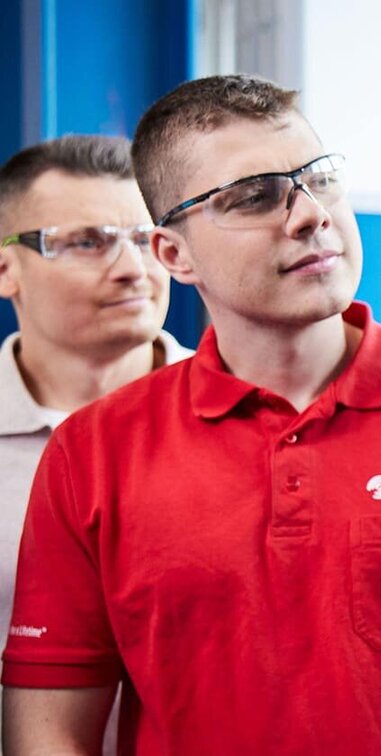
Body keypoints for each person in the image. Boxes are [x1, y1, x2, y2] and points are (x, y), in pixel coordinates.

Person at [2, 75, 381, 755]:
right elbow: (46, 735)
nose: (311, 215)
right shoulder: (90, 452)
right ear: (174, 254)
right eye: (254, 197)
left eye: (321, 177)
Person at [0, 135, 191, 752]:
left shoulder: (254, 416)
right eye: (87, 241)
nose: (134, 268)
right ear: (6, 267)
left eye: (145, 239)